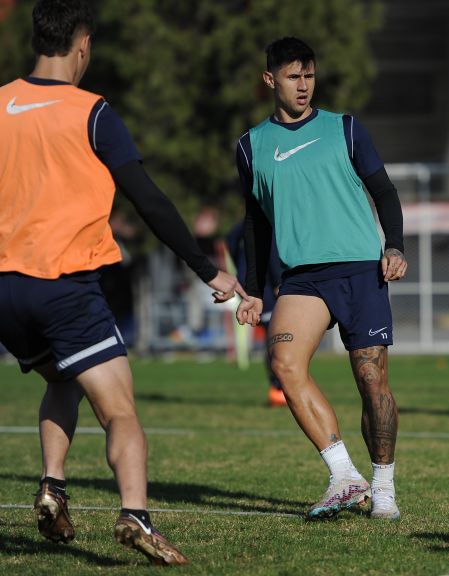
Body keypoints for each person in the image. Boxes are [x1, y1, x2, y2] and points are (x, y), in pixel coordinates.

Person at [0, 0, 247, 566]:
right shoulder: (92, 112)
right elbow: (149, 200)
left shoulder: (1, 105)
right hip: (62, 286)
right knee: (121, 412)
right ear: (82, 44)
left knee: (62, 378)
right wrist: (208, 268)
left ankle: (52, 487)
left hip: (6, 290)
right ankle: (136, 514)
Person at [235, 37, 407, 520]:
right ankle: (344, 476)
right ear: (270, 80)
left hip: (358, 268)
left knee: (371, 380)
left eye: (309, 75)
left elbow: (384, 191)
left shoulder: (345, 129)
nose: (303, 85)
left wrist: (394, 245)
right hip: (302, 277)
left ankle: (384, 485)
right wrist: (252, 288)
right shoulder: (251, 146)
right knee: (286, 365)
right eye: (293, 77)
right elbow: (256, 224)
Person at [226, 221, 287, 407]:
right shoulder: (269, 223)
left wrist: (239, 270)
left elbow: (230, 242)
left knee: (274, 338)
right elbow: (272, 254)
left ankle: (280, 386)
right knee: (275, 339)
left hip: (251, 285)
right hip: (265, 288)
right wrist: (278, 281)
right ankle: (278, 388)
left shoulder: (241, 226)